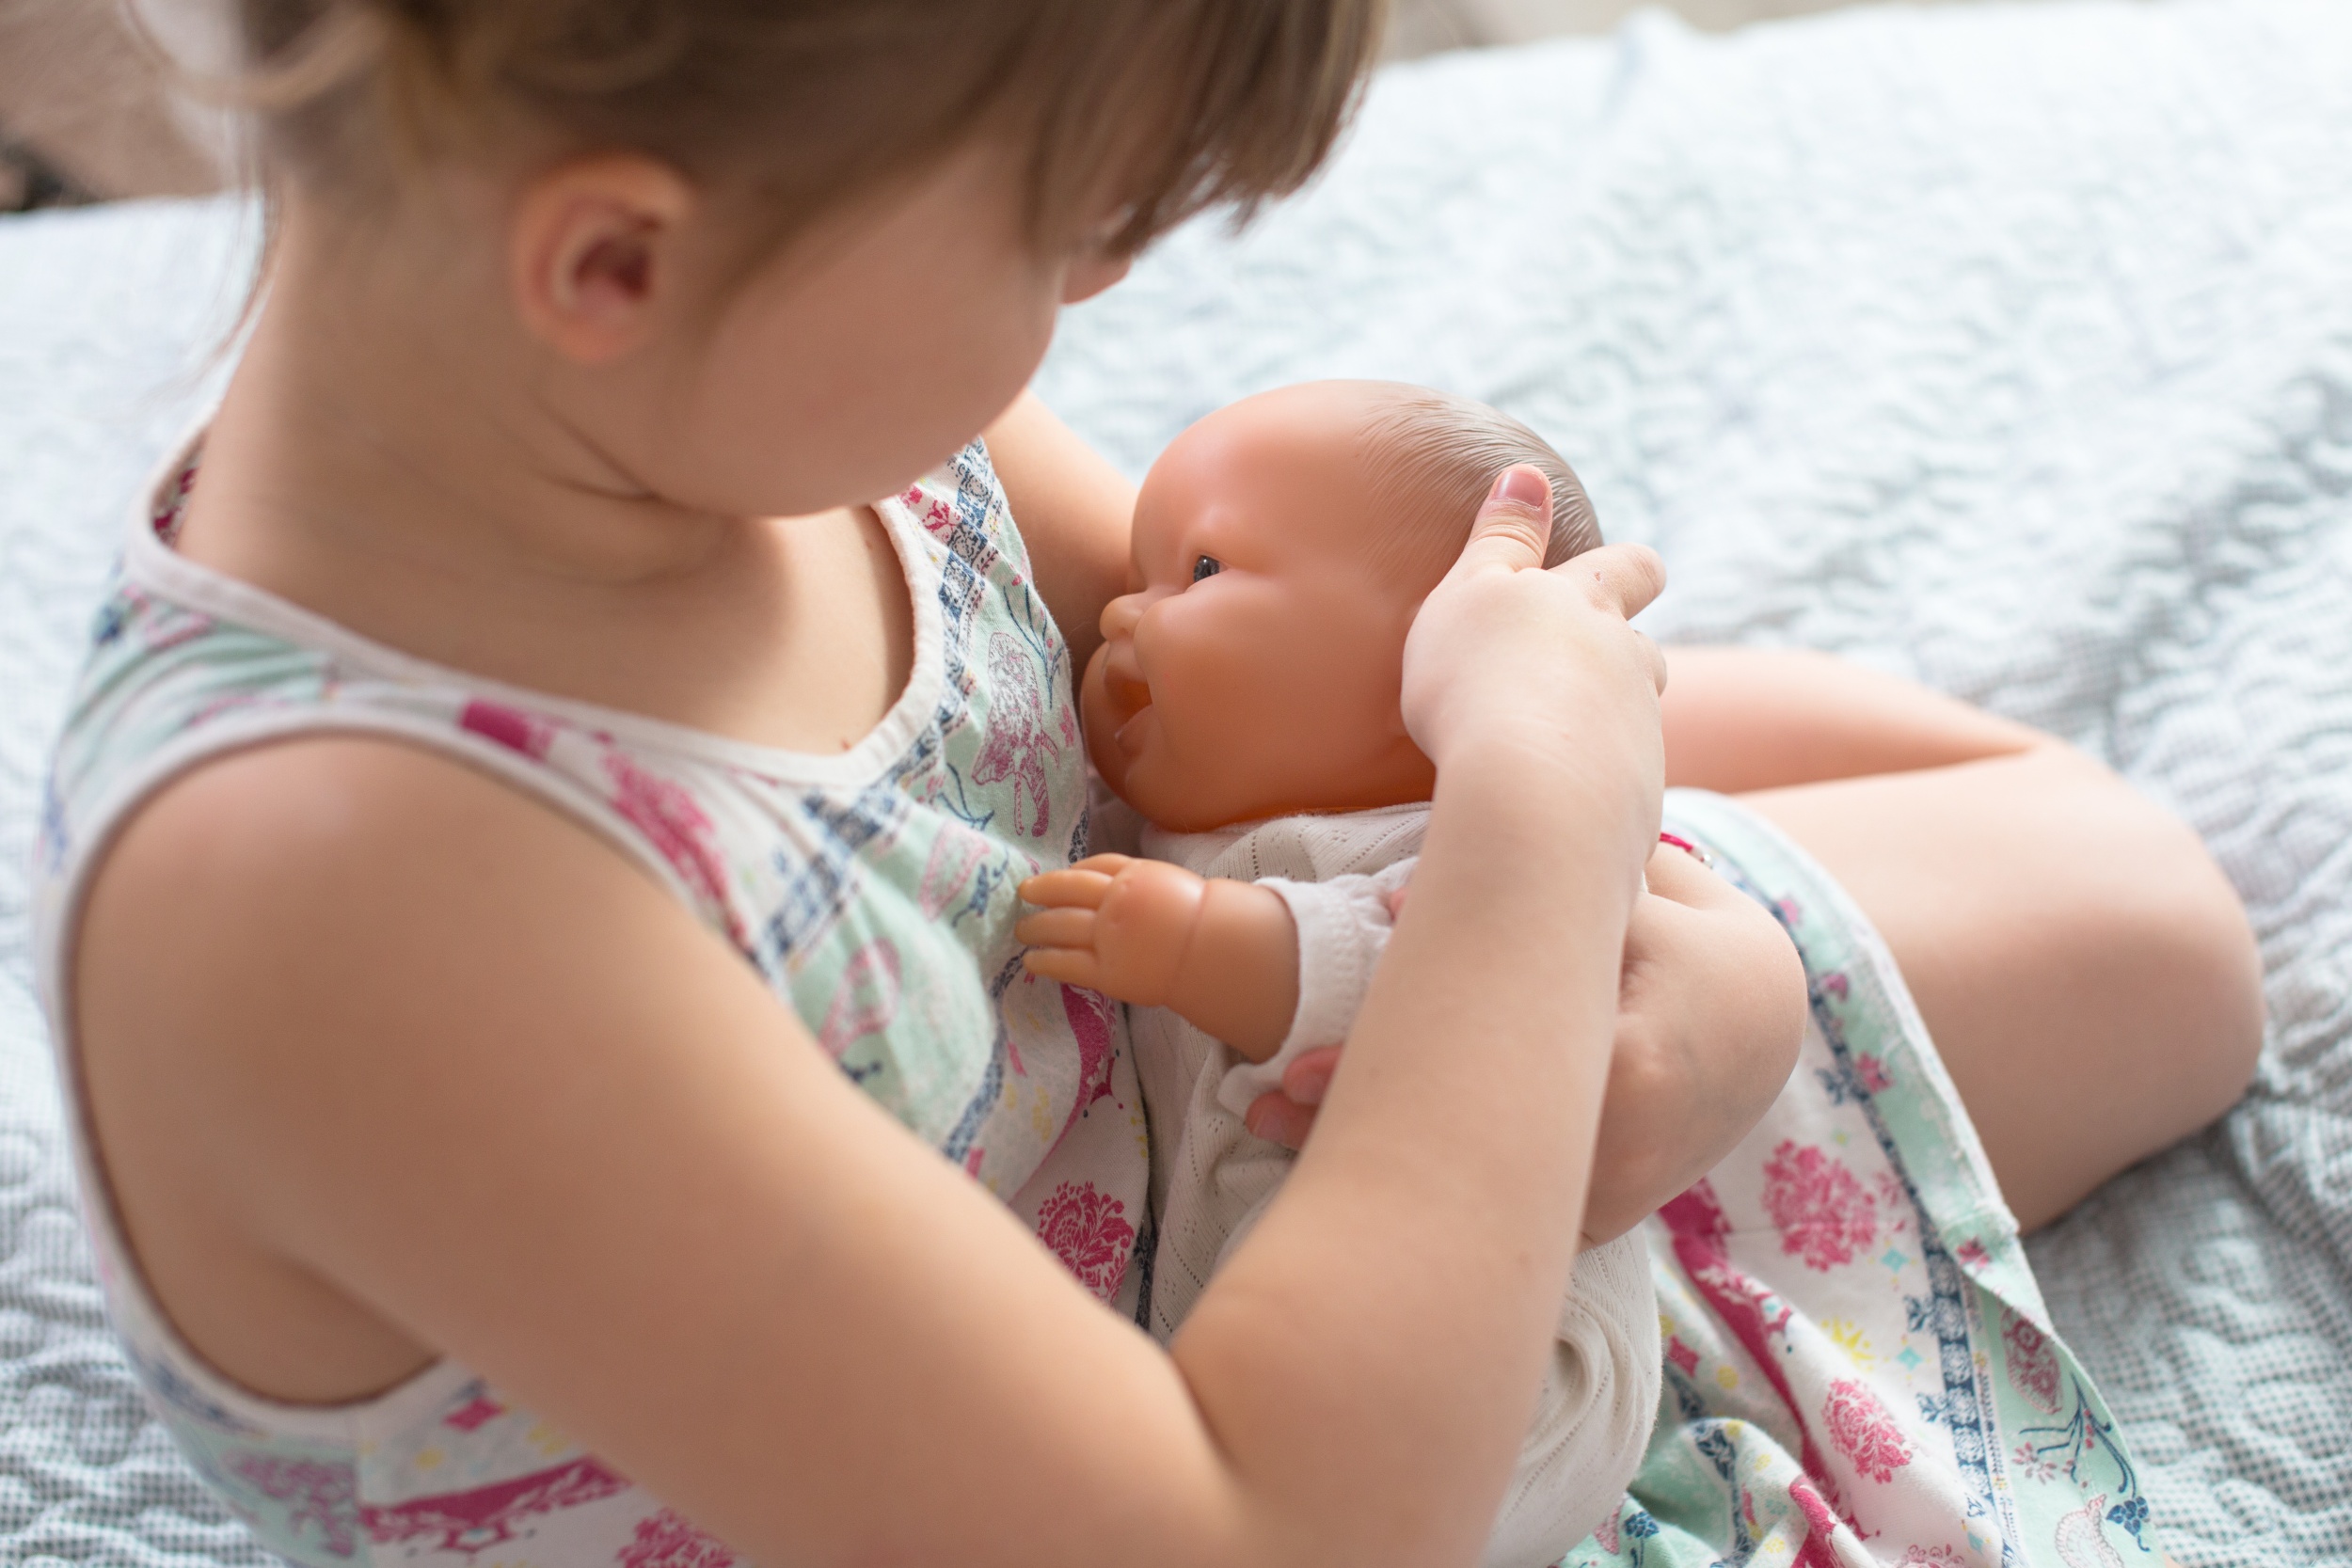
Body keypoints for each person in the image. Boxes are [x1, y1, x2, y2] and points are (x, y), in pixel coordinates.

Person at [30, 6, 1804, 1567]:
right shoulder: (343, 901)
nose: (1096, 295)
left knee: (2066, 894)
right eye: (1065, 235)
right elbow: (1270, 1536)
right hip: (1301, 1428)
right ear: (615, 263)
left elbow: (1276, 683)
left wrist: (1706, 985)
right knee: (2067, 916)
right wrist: (1544, 840)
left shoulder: (709, 403)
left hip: (1240, 1112)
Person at [1017, 379, 2266, 1566]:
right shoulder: (1333, 844)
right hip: (1452, 1400)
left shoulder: (1349, 850)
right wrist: (1547, 765)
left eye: (1194, 571)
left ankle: (1563, 683)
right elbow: (1432, 970)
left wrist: (1208, 933)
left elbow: (1392, 959)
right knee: (2141, 908)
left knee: (2146, 907)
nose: (1123, 612)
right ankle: (1554, 689)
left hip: (1548, 1004)